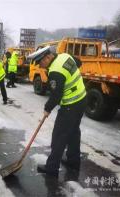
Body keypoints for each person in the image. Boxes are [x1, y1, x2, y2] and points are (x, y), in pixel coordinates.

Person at [28, 46, 87, 177]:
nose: (41, 66)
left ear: (48, 57)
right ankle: (73, 161)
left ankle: (51, 168)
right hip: (82, 99)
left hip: (70, 105)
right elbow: (78, 62)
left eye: (41, 63)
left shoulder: (55, 71)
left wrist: (47, 109)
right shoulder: (65, 56)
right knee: (73, 133)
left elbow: (56, 95)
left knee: (59, 136)